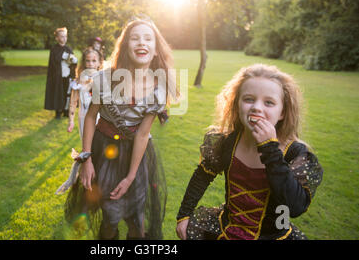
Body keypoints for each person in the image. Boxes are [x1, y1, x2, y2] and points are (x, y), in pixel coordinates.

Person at [176, 64, 323, 240]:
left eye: (269, 102)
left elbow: (295, 207)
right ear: (237, 104)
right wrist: (184, 215)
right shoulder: (228, 141)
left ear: (282, 112)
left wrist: (270, 150)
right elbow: (202, 176)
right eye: (249, 99)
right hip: (226, 230)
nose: (257, 108)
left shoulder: (295, 153)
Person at [64, 18, 178, 240]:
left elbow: (143, 134)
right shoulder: (105, 78)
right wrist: (86, 158)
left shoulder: (159, 88)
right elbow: (90, 117)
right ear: (125, 46)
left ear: (155, 50)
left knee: (137, 221)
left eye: (148, 38)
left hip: (135, 155)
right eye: (134, 38)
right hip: (104, 150)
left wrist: (130, 177)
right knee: (110, 216)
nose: (141, 42)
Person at [67, 47, 104, 138]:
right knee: (86, 144)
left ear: (99, 62)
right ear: (84, 62)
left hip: (100, 118)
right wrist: (71, 121)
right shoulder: (78, 82)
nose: (91, 64)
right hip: (83, 116)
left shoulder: (103, 79)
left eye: (94, 61)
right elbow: (73, 102)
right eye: (88, 61)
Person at [44, 27, 78, 119]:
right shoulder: (54, 49)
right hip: (58, 76)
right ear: (57, 38)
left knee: (67, 93)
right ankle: (58, 111)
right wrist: (68, 57)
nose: (64, 38)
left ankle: (66, 110)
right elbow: (57, 58)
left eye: (65, 36)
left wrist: (73, 60)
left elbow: (73, 61)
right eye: (62, 36)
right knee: (58, 93)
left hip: (67, 75)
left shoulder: (68, 48)